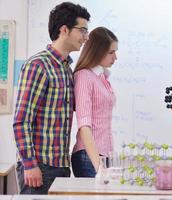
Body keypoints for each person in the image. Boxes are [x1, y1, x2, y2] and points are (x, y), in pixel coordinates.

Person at [13, 2, 90, 194]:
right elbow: (21, 120)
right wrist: (30, 165)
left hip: (61, 167)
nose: (86, 37)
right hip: (39, 167)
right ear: (64, 30)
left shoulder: (65, 69)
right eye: (82, 30)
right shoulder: (38, 65)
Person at [71, 27, 118, 177]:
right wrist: (99, 166)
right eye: (111, 52)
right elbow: (84, 125)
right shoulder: (84, 76)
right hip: (89, 157)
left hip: (104, 156)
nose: (115, 57)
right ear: (98, 51)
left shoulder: (102, 78)